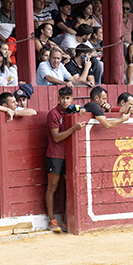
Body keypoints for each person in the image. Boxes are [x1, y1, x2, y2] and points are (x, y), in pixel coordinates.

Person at [45, 86, 85, 232]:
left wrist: (82, 110)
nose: (65, 101)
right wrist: (74, 128)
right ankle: (52, 220)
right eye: (62, 98)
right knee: (53, 187)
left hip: (68, 155)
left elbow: (84, 108)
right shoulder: (53, 114)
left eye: (67, 98)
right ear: (58, 98)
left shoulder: (72, 109)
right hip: (55, 155)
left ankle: (67, 220)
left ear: (71, 99)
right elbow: (56, 138)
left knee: (69, 188)